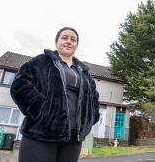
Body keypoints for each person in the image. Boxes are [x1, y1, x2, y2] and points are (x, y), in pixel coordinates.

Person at [10, 27, 100, 162]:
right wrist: (41, 111)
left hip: (73, 138)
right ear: (56, 42)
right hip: (41, 133)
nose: (69, 41)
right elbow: (20, 85)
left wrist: (90, 118)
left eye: (73, 39)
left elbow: (94, 99)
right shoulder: (41, 61)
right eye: (64, 38)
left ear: (76, 45)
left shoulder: (85, 73)